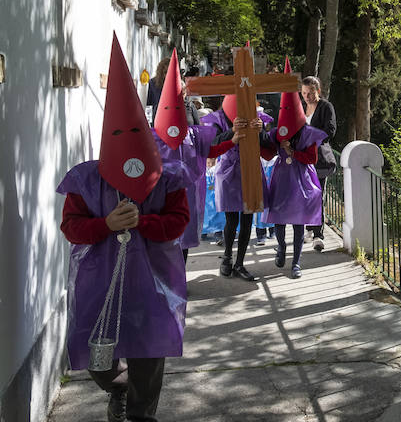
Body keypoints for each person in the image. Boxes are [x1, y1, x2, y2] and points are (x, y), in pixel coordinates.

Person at [58, 34, 191, 422]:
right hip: (101, 279)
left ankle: (140, 413)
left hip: (153, 280)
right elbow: (71, 226)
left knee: (148, 354)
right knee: (99, 355)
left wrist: (143, 222)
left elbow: (178, 222)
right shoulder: (86, 180)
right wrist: (106, 224)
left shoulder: (167, 179)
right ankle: (117, 387)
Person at [151, 50, 240, 262]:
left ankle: (179, 275)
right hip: (164, 185)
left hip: (189, 185)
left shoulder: (191, 110)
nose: (180, 96)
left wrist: (232, 141)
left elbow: (206, 147)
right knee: (164, 233)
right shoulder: (157, 124)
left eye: (182, 92)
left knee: (185, 229)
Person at [201, 94, 273, 282]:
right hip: (229, 172)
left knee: (248, 217)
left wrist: (261, 131)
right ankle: (227, 257)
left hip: (251, 170)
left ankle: (240, 263)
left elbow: (268, 144)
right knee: (231, 220)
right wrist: (231, 131)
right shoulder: (217, 119)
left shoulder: (256, 117)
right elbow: (213, 143)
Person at [267, 59, 328, 278]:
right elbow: (267, 151)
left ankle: (296, 263)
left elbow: (311, 158)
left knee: (299, 221)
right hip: (282, 177)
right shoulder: (278, 132)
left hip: (302, 178)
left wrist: (293, 152)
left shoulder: (307, 133)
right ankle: (282, 247)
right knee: (280, 218)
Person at [301, 76, 337, 251]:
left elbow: (330, 130)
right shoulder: (301, 107)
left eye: (311, 93)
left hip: (319, 160)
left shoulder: (326, 107)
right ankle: (309, 228)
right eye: (304, 93)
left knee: (317, 196)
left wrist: (311, 138)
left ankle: (318, 235)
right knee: (305, 196)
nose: (307, 96)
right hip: (302, 160)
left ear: (318, 91)